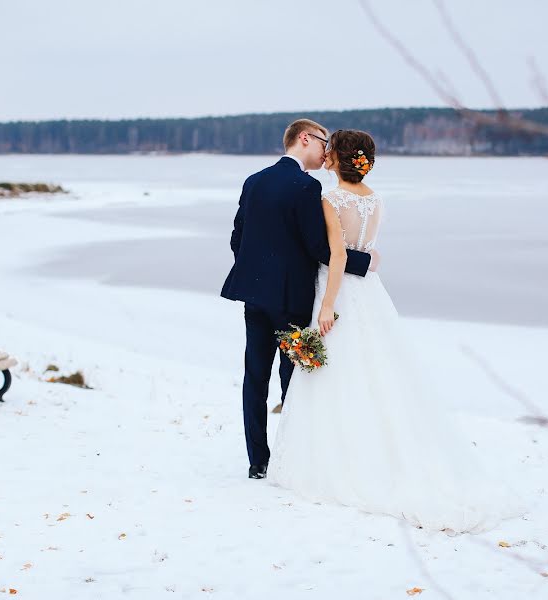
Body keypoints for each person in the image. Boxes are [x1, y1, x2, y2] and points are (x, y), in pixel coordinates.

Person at [267, 129, 523, 532]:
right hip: (370, 291)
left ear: (339, 158)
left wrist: (329, 304)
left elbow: (336, 255)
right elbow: (365, 251)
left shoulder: (330, 199)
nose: (326, 154)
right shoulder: (375, 199)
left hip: (340, 290)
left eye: (331, 150)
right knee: (379, 368)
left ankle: (345, 457)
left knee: (340, 369)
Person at [221, 119, 378, 480]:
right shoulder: (306, 188)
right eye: (323, 141)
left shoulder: (254, 180)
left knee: (254, 379)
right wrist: (365, 262)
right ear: (304, 138)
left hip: (253, 296)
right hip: (291, 299)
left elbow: (237, 237)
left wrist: (254, 273)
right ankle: (291, 459)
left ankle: (258, 462)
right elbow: (321, 249)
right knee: (294, 380)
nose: (327, 150)